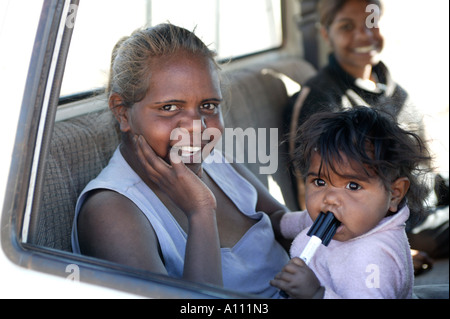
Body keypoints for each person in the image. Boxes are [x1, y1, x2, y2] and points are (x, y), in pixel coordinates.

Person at [71, 23, 290, 298]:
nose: (197, 127)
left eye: (208, 106)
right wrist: (200, 211)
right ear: (122, 113)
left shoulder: (214, 162)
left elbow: (280, 220)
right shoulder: (112, 210)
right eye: (169, 107)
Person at [286, 0, 447, 269]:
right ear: (326, 34)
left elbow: (424, 167)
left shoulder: (391, 88)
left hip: (428, 194)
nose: (364, 35)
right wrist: (380, 249)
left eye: (372, 23)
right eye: (347, 26)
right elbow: (315, 196)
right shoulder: (320, 100)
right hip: (395, 222)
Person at [271, 107, 432, 298]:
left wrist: (316, 294)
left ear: (394, 194)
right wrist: (273, 222)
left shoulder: (373, 257)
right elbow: (299, 221)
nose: (330, 198)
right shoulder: (338, 218)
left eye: (353, 186)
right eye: (320, 182)